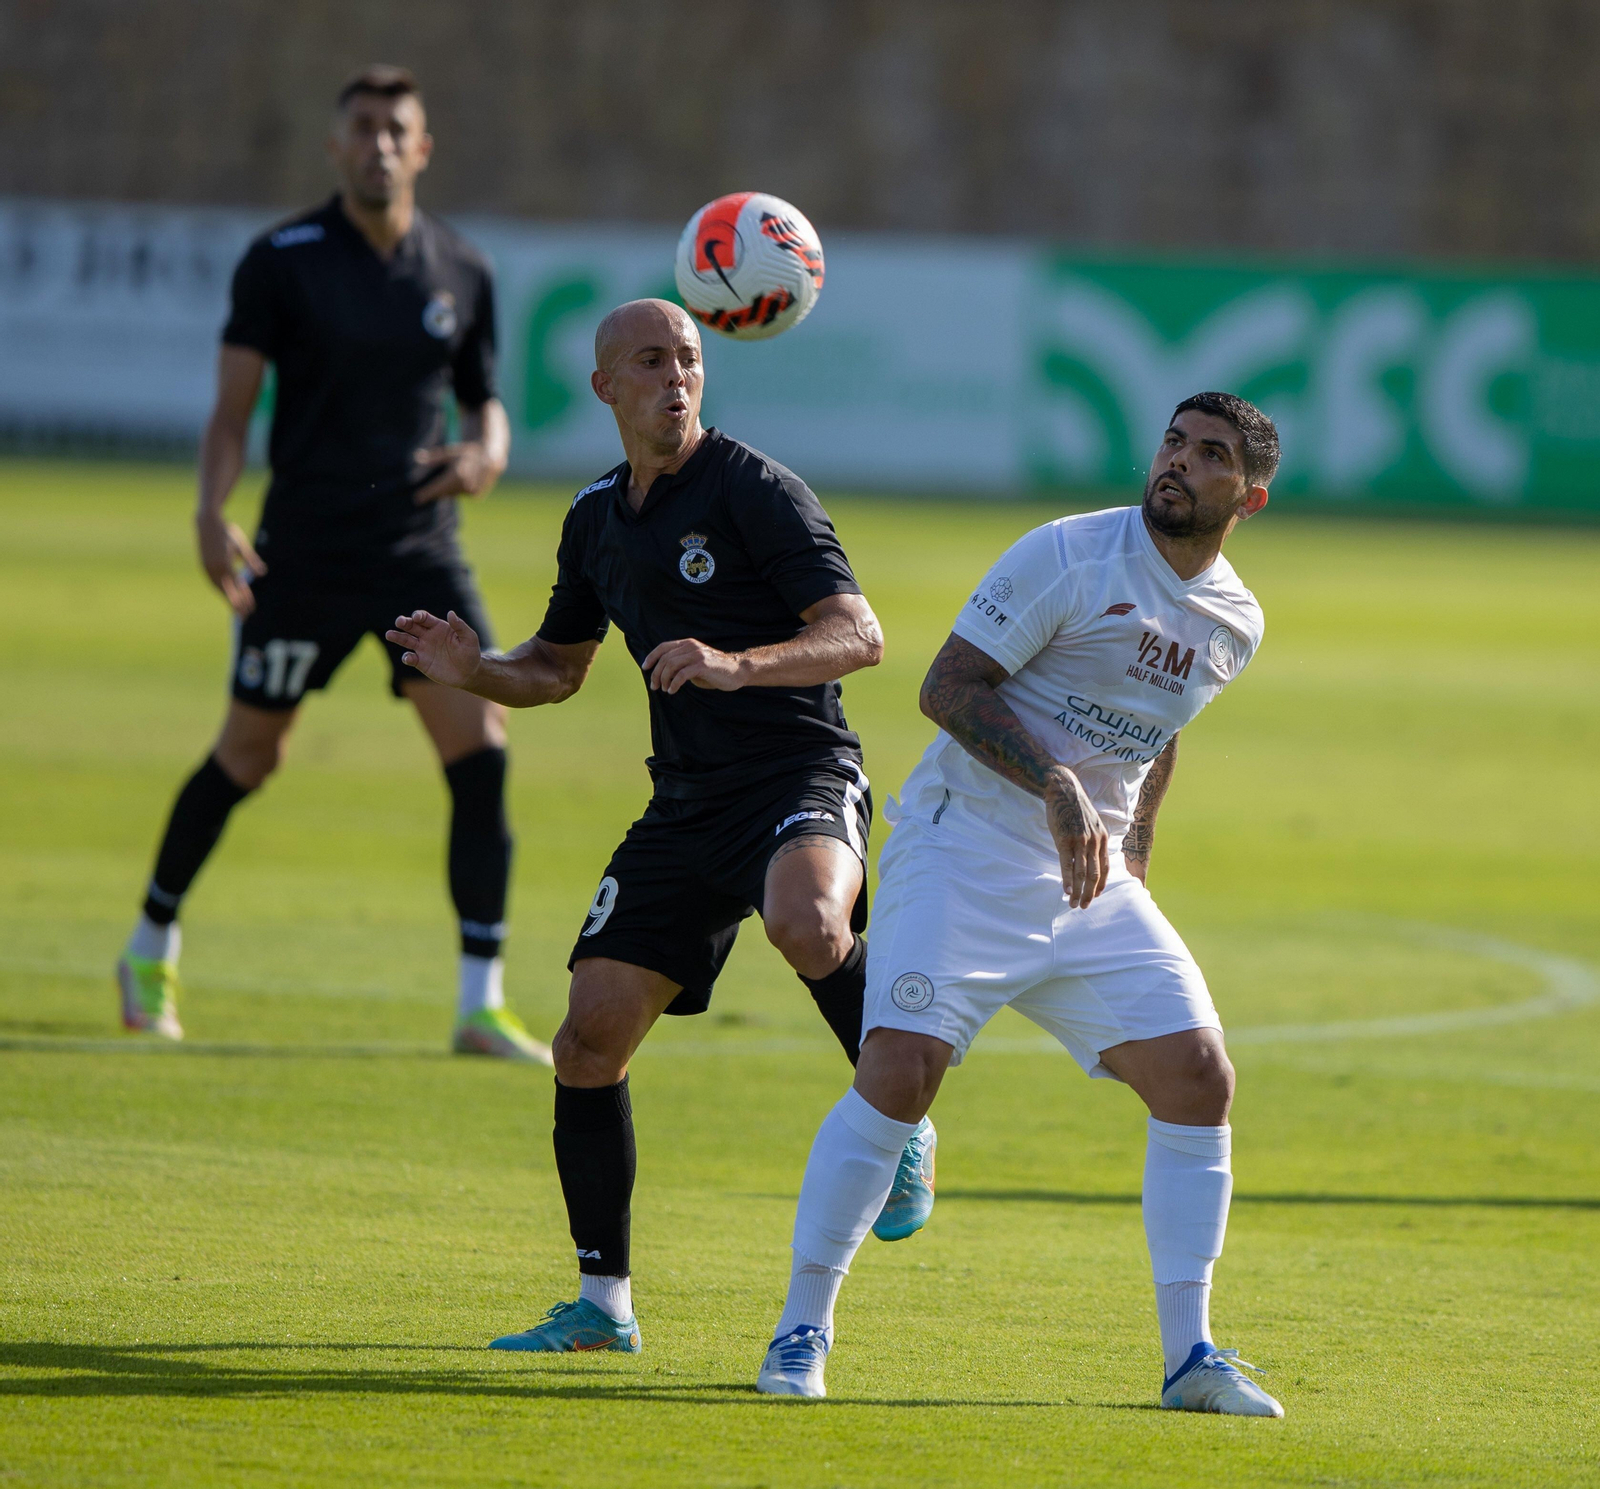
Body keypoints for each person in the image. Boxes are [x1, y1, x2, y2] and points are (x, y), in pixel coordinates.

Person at [387, 298, 937, 1354]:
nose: (676, 376)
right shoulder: (595, 517)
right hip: (685, 804)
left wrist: (736, 664)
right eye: (650, 361)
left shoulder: (757, 488)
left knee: (809, 920)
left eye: (688, 358)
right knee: (587, 1039)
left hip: (798, 770)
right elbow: (555, 668)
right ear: (605, 386)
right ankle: (604, 1308)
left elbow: (858, 634)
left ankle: (902, 1111)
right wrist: (475, 670)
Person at [756, 391, 1287, 1417]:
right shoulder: (1067, 553)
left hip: (1089, 876)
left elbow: (1157, 723)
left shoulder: (1237, 620)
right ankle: (800, 1328)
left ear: (1249, 497)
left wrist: (1134, 853)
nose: (1179, 461)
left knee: (1198, 1075)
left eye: (1211, 454)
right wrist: (1055, 782)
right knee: (899, 1073)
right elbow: (947, 687)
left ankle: (1191, 1357)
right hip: (962, 847)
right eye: (1174, 441)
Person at [115, 65, 547, 1061]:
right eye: (362, 127)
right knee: (248, 755)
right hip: (304, 553)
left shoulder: (463, 268)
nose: (379, 144)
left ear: (422, 147)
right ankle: (149, 943)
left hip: (418, 553)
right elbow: (232, 414)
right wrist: (210, 508)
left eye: (397, 129)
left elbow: (486, 402)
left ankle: (480, 1003)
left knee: (481, 747)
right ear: (335, 144)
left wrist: (486, 455)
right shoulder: (281, 261)